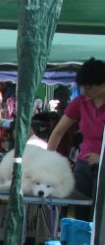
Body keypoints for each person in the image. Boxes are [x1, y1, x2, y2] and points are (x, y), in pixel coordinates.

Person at [48, 57, 105, 220]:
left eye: (89, 88)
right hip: (83, 167)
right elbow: (58, 132)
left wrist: (102, 159)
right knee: (79, 215)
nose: (84, 92)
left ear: (103, 84)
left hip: (103, 170)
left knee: (99, 217)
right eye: (82, 88)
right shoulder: (80, 102)